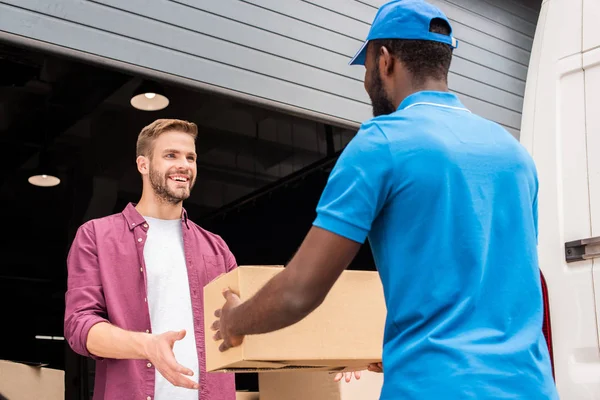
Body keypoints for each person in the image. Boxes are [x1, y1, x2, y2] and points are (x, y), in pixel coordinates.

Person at [211, 0, 559, 399]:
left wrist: (235, 320)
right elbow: (501, 280)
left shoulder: (382, 143)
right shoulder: (514, 154)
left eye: (365, 67)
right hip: (532, 387)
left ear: (385, 62)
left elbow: (298, 291)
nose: (365, 82)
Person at [64, 118, 237, 400]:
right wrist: (146, 345)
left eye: (190, 157)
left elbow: (249, 323)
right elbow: (79, 326)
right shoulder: (96, 236)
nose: (184, 165)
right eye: (171, 155)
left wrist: (328, 354)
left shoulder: (216, 248)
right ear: (143, 165)